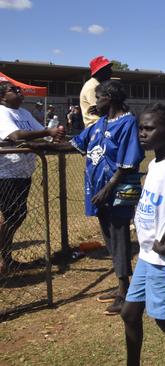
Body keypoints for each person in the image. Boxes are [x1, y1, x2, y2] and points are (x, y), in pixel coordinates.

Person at [120, 104, 165, 365]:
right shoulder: (155, 163)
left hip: (161, 259)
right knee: (129, 313)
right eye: (140, 128)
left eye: (149, 128)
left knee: (164, 320)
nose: (142, 133)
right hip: (146, 255)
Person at [70, 79, 144, 315]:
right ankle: (122, 285)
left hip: (116, 193)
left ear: (109, 98)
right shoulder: (100, 123)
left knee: (120, 238)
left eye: (98, 98)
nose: (95, 102)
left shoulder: (128, 123)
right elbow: (79, 144)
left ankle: (125, 293)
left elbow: (129, 161)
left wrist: (107, 188)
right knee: (110, 239)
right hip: (99, 193)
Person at [0, 81, 64, 273]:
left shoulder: (25, 113)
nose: (20, 92)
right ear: (2, 96)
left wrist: (55, 136)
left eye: (20, 90)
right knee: (9, 215)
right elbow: (17, 136)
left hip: (23, 173)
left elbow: (40, 136)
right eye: (14, 90)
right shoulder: (2, 113)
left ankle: (6, 257)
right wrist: (48, 132)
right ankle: (2, 258)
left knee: (17, 215)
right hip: (5, 173)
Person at [80, 55, 113, 127]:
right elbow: (102, 111)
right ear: (100, 71)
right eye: (108, 69)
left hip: (102, 125)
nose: (111, 71)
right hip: (96, 127)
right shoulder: (92, 86)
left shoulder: (99, 84)